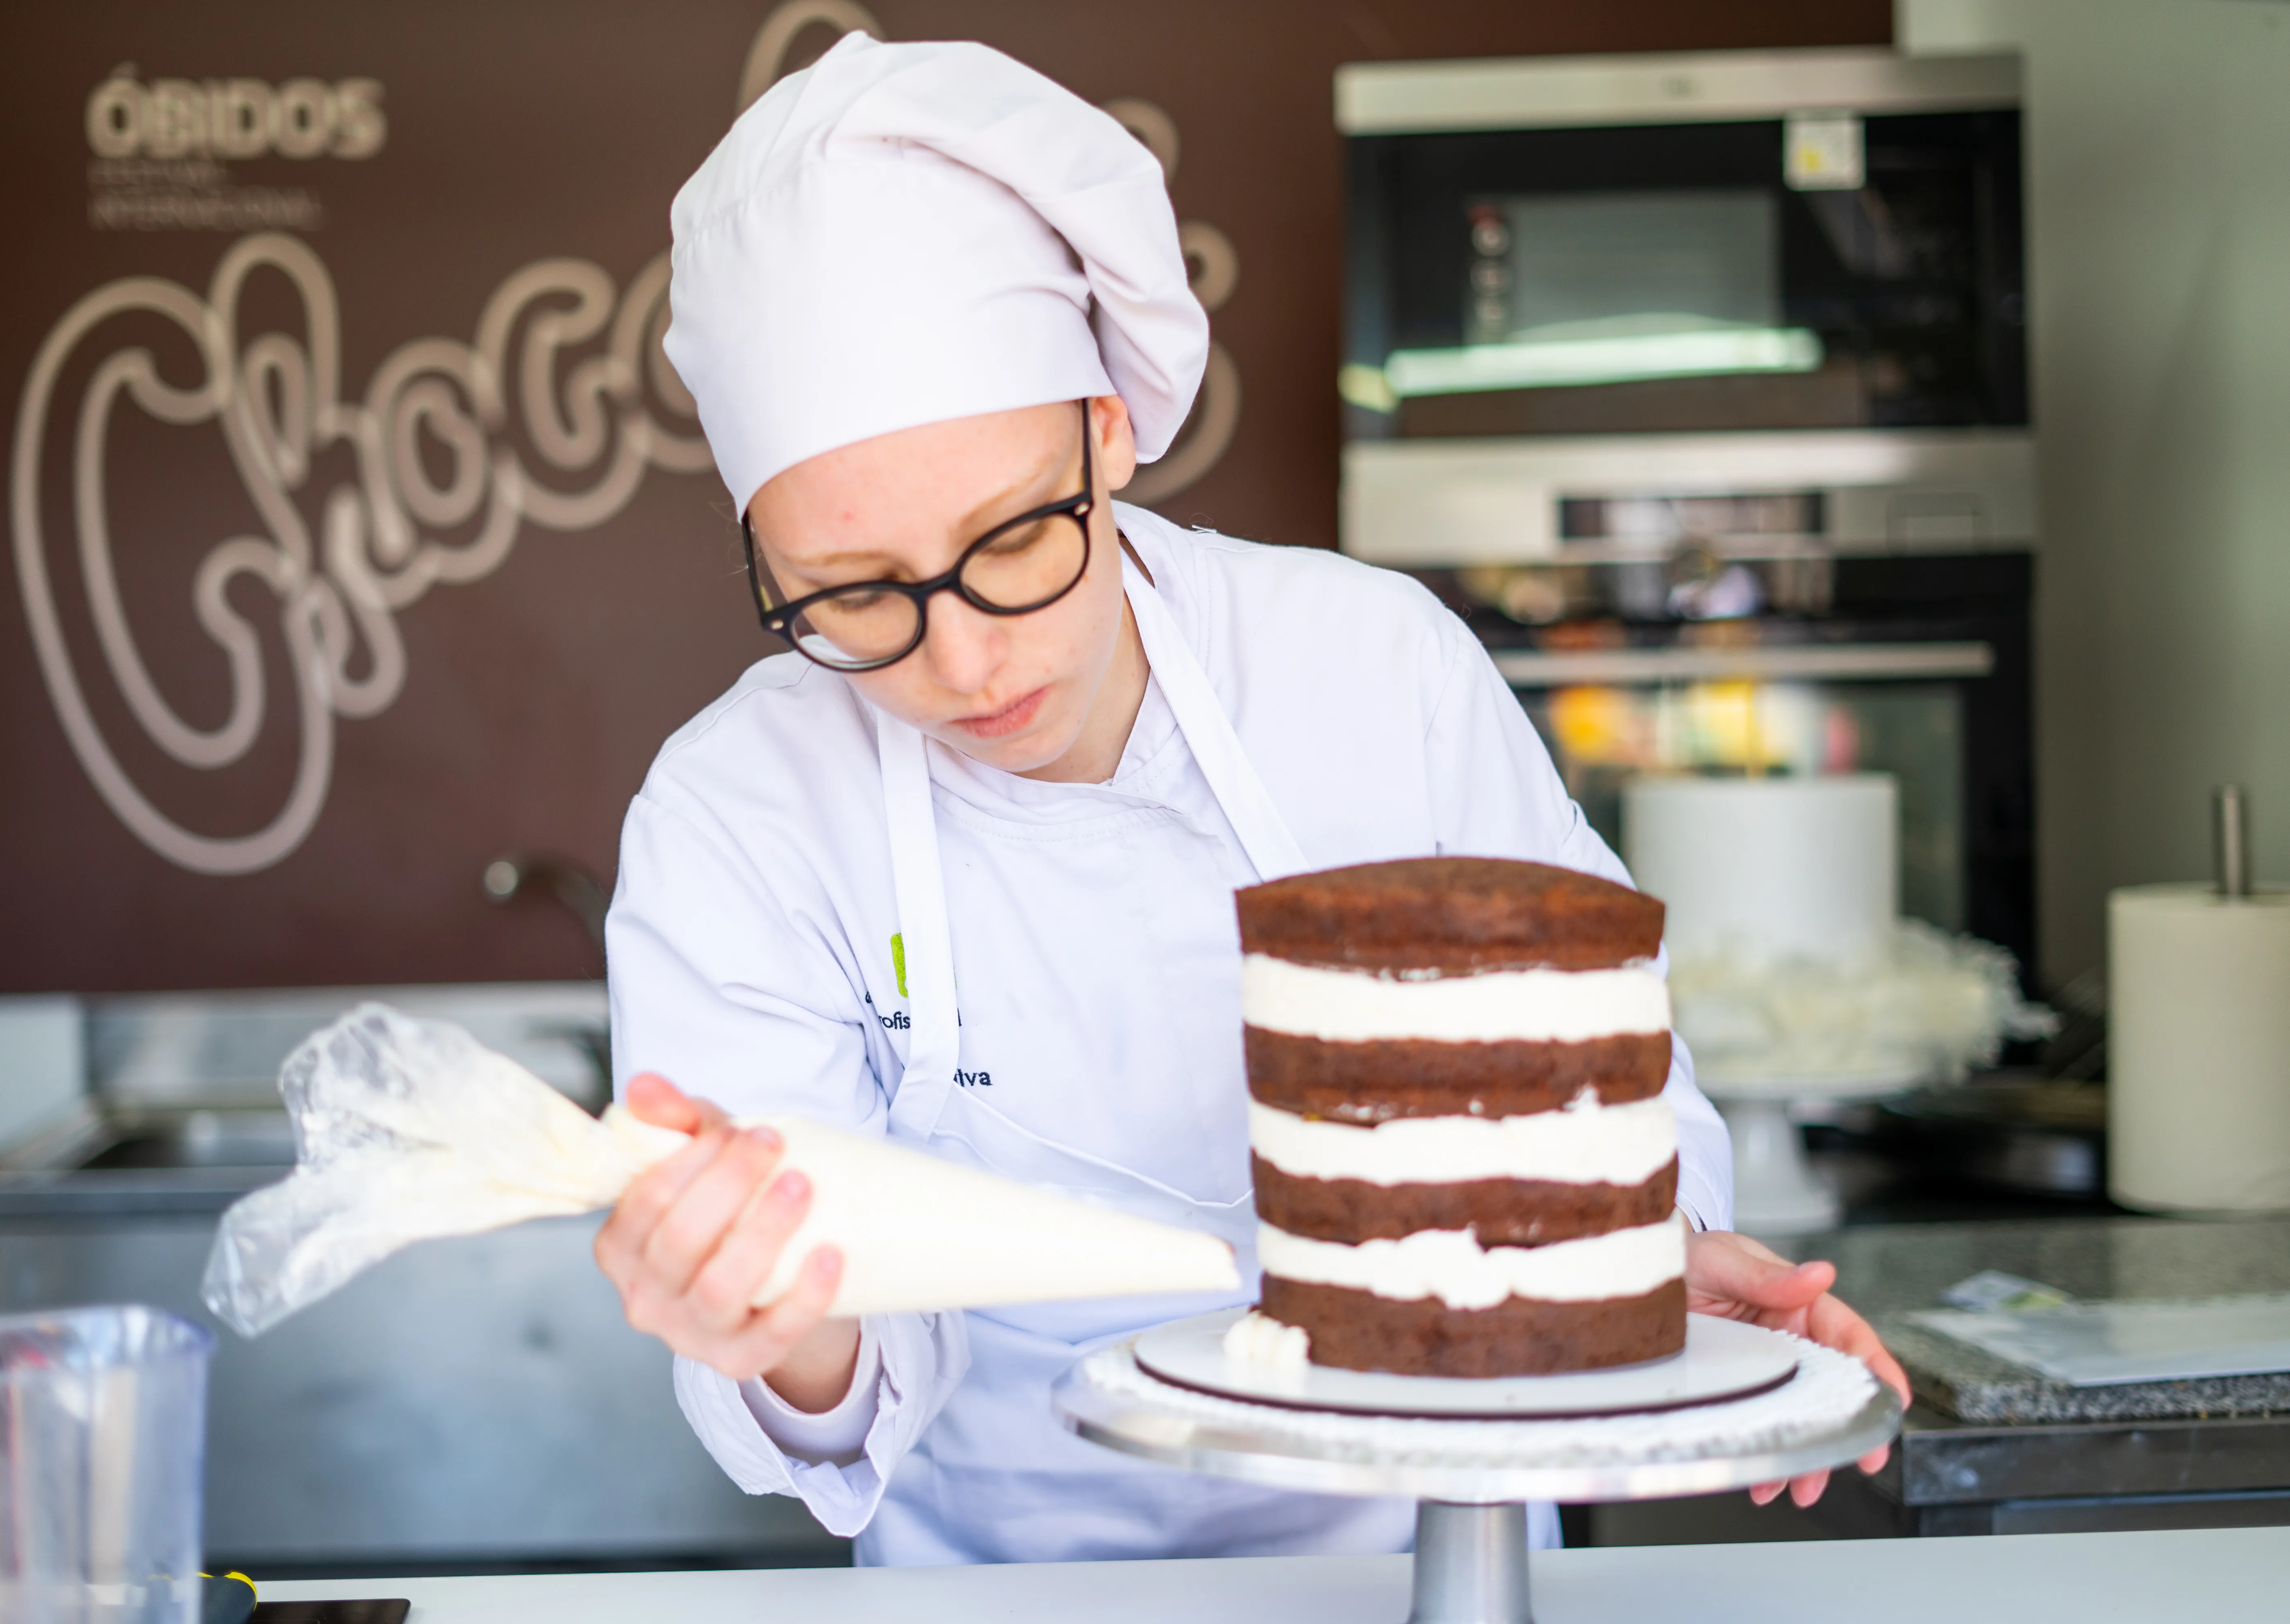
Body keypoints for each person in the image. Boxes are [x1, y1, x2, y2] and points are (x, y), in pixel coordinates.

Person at [595, 32, 1908, 1567]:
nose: (959, 655)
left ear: (1106, 434)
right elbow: (842, 1377)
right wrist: (769, 1321)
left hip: (1434, 1563)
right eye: (851, 595)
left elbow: (1600, 1098)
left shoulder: (1372, 668)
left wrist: (1643, 1268)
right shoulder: (738, 818)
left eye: (1013, 541)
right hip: (999, 1594)